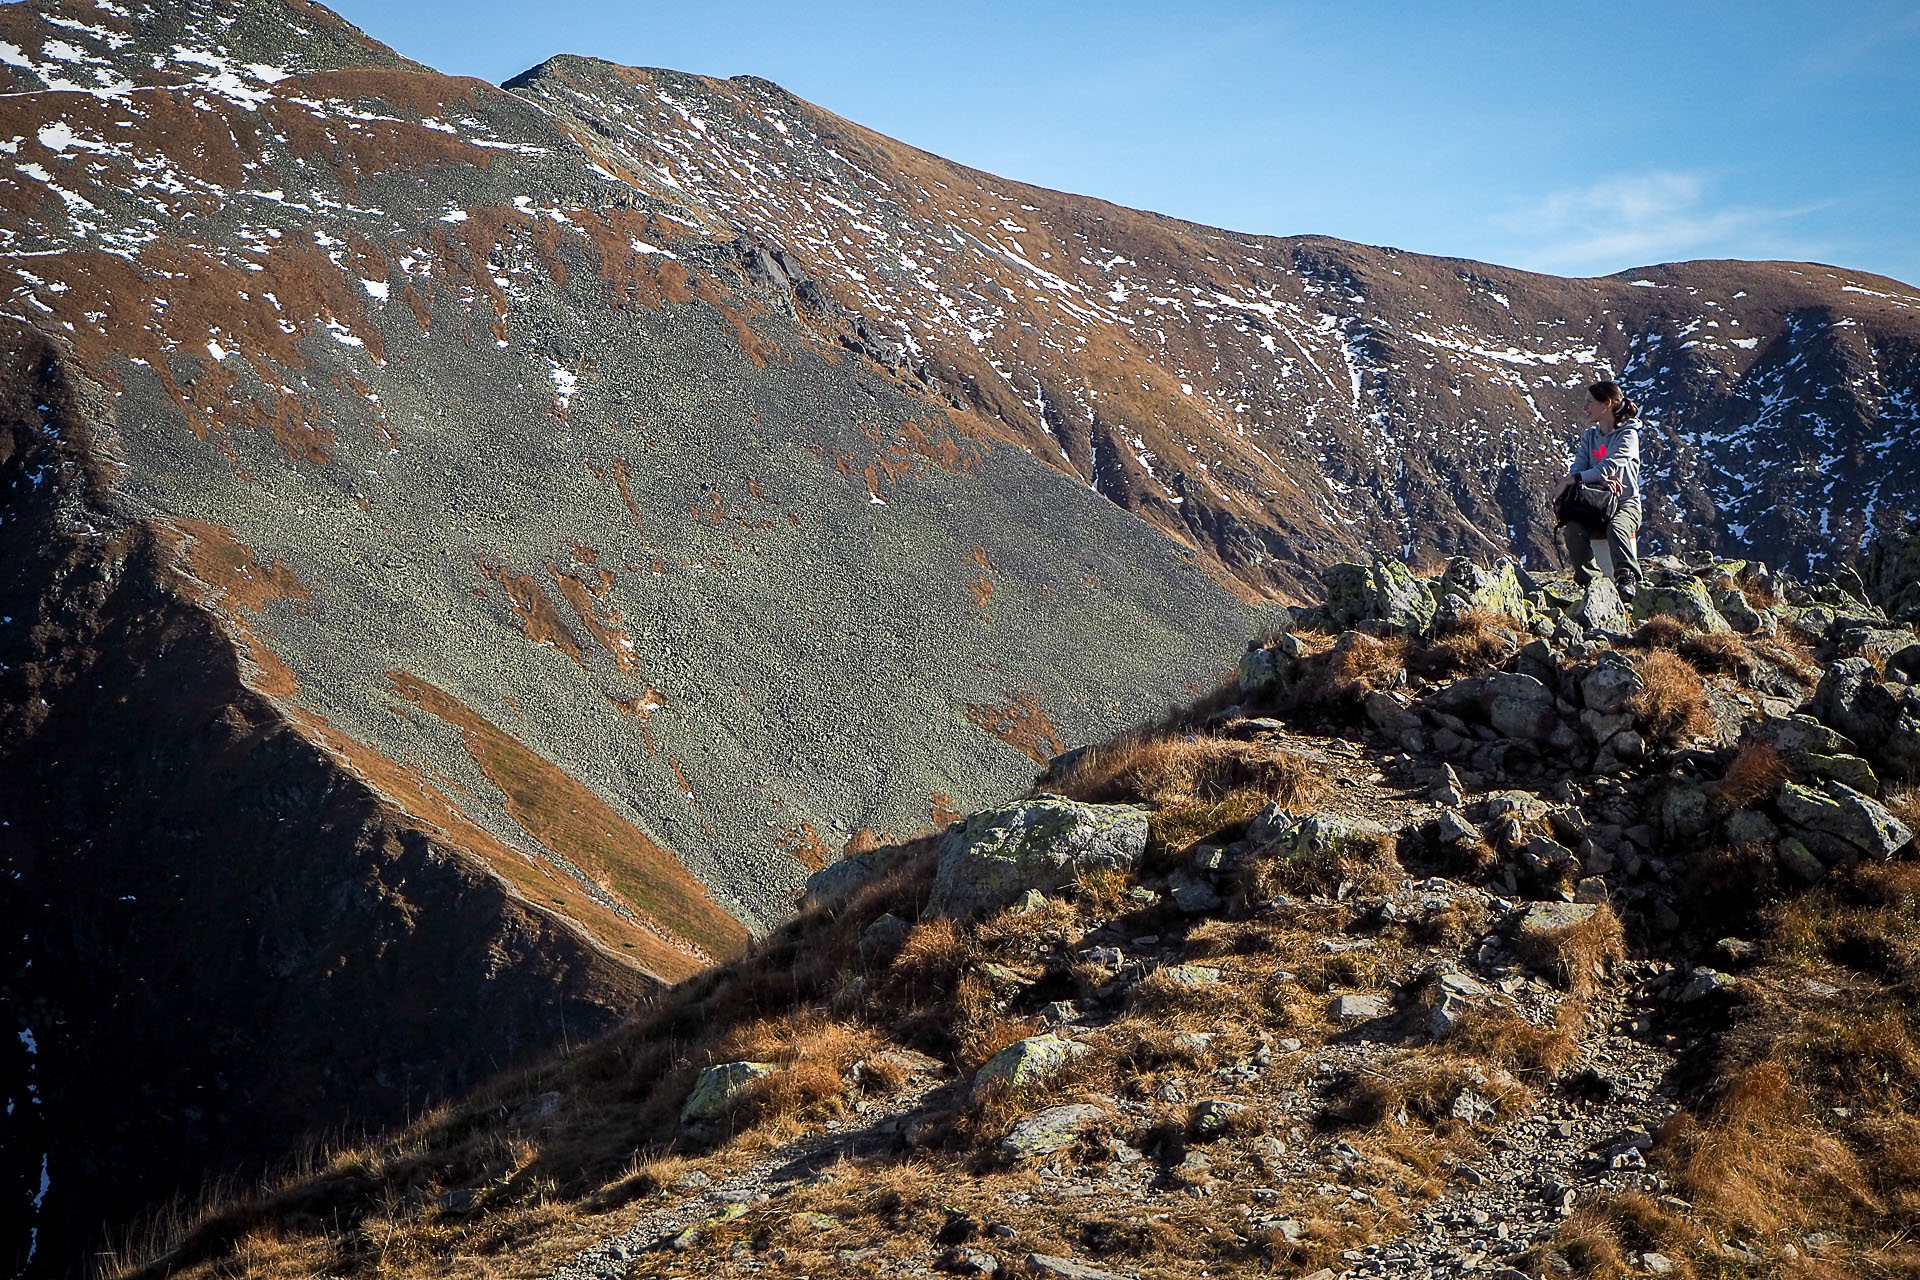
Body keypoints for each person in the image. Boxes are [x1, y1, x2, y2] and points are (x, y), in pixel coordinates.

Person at [1551, 380, 1643, 601]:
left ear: (1607, 404)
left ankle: (1625, 579)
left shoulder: (1628, 435)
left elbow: (1610, 466)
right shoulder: (1590, 437)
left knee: (1617, 528)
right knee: (1572, 531)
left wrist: (1573, 480)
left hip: (1625, 503)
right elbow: (1580, 468)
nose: (1585, 407)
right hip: (1594, 504)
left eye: (1589, 402)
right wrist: (1599, 481)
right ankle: (1589, 584)